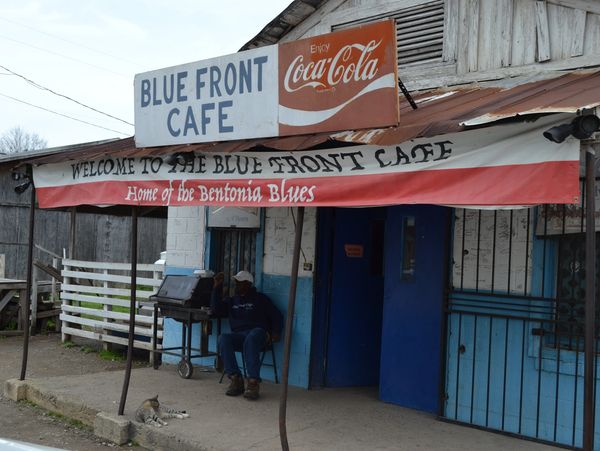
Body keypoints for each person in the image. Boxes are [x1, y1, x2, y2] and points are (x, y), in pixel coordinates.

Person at [211, 270, 283, 400]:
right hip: (240, 336)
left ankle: (253, 383)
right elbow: (216, 310)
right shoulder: (232, 301)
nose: (236, 285)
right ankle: (236, 379)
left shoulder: (260, 299)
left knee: (252, 337)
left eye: (239, 283)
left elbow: (277, 315)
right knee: (223, 338)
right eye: (235, 283)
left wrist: (276, 332)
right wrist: (216, 287)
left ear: (248, 284)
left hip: (259, 334)